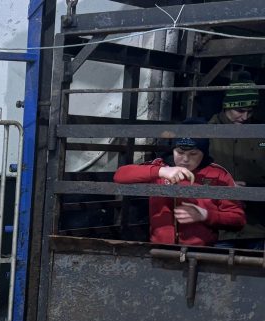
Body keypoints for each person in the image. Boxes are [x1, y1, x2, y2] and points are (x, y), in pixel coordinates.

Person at [113, 127, 245, 246]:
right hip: (160, 249)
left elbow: (238, 220)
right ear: (173, 150)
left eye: (193, 154)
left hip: (202, 252)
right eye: (180, 152)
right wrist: (161, 171)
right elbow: (119, 175)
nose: (185, 159)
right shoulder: (160, 167)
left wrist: (206, 215)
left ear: (204, 153)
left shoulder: (217, 174)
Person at [209, 78, 265, 248]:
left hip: (257, 226)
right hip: (219, 227)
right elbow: (191, 173)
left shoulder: (260, 132)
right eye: (240, 110)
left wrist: (250, 188)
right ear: (227, 105)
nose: (245, 117)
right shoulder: (206, 131)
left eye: (250, 111)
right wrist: (226, 187)